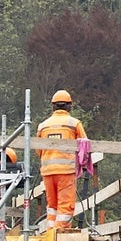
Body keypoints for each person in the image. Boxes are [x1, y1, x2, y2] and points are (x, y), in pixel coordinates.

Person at [33, 89, 89, 228]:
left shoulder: (43, 126)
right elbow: (84, 146)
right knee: (65, 205)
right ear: (69, 106)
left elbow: (38, 149)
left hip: (47, 172)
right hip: (65, 171)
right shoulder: (74, 123)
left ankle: (51, 231)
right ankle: (60, 234)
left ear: (53, 106)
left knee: (52, 206)